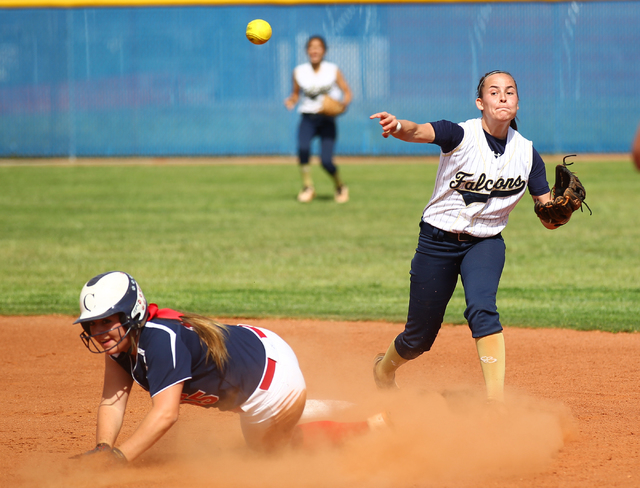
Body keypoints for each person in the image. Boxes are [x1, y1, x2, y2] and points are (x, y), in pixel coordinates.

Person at [369, 70, 570, 404]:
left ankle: (496, 404)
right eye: (494, 92)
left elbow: (547, 214)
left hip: (485, 242)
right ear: (480, 102)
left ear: (517, 103)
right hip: (437, 240)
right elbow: (418, 130)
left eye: (510, 92)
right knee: (418, 337)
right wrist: (397, 125)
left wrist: (559, 214)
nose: (503, 96)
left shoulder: (527, 154)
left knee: (482, 307)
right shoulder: (459, 134)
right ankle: (382, 371)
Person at [72, 271, 387, 464]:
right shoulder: (122, 346)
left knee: (272, 454)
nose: (100, 332)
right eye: (92, 325)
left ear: (131, 314)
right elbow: (111, 401)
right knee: (274, 428)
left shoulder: (159, 341)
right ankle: (348, 407)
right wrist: (104, 448)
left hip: (271, 383)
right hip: (259, 350)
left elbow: (166, 414)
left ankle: (370, 426)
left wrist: (120, 458)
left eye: (107, 321)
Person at [284, 35, 352, 204]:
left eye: (318, 47)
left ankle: (340, 186)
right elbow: (295, 94)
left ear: (324, 50)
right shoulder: (299, 71)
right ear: (307, 51)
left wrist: (344, 104)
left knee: (326, 161)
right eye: (311, 47)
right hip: (308, 116)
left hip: (327, 118)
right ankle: (308, 187)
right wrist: (291, 100)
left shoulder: (332, 69)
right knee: (303, 148)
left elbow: (347, 91)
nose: (315, 50)